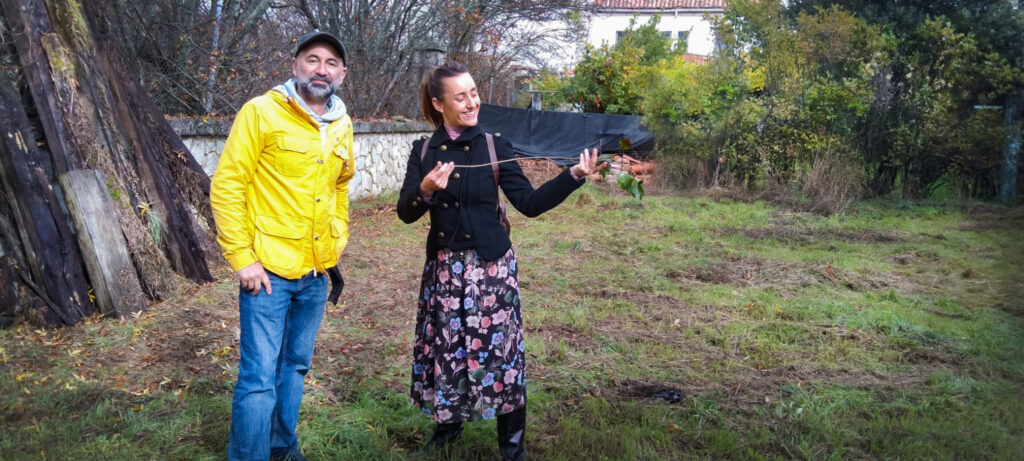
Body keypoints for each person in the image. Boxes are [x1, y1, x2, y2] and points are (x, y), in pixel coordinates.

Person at [396, 62, 605, 461]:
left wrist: (573, 174)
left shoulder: (495, 146)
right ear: (439, 104)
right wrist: (423, 189)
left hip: (491, 273)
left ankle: (512, 448)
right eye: (461, 96)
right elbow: (405, 213)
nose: (473, 101)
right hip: (444, 272)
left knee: (502, 358)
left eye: (474, 92)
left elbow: (528, 204)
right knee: (448, 351)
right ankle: (448, 430)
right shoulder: (422, 151)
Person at [210, 31, 354, 461]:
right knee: (258, 377)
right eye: (313, 60)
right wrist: (242, 258)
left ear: (342, 75)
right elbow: (227, 186)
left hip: (316, 273)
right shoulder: (261, 112)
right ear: (295, 65)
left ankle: (281, 449)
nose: (321, 69)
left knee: (294, 368)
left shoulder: (342, 123)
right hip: (267, 272)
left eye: (331, 63)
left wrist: (338, 237)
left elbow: (340, 187)